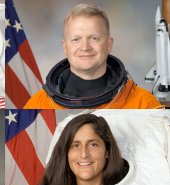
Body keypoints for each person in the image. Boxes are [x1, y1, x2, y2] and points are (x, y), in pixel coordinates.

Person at [6, 113, 170, 185]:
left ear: (107, 151)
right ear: (66, 154)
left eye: (93, 144)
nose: (84, 154)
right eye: (75, 145)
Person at [24, 4, 161, 109]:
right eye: (76, 39)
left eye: (94, 38)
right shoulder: (38, 104)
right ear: (65, 47)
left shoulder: (143, 103)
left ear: (108, 44)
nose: (85, 47)